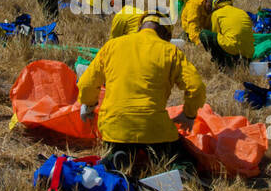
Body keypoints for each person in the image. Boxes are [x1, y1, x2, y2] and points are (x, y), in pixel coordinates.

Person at [77, 11, 206, 175]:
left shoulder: (112, 45)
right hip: (154, 128)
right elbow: (196, 87)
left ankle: (117, 158)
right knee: (184, 159)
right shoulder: (171, 51)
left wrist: (88, 105)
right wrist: (189, 114)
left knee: (121, 144)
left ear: (140, 26)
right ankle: (180, 170)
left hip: (115, 128)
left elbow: (87, 83)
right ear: (166, 33)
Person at [200, 0, 254, 70]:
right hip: (248, 54)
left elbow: (216, 33)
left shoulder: (216, 14)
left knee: (204, 34)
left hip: (232, 51)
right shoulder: (242, 12)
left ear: (215, 4)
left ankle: (221, 63)